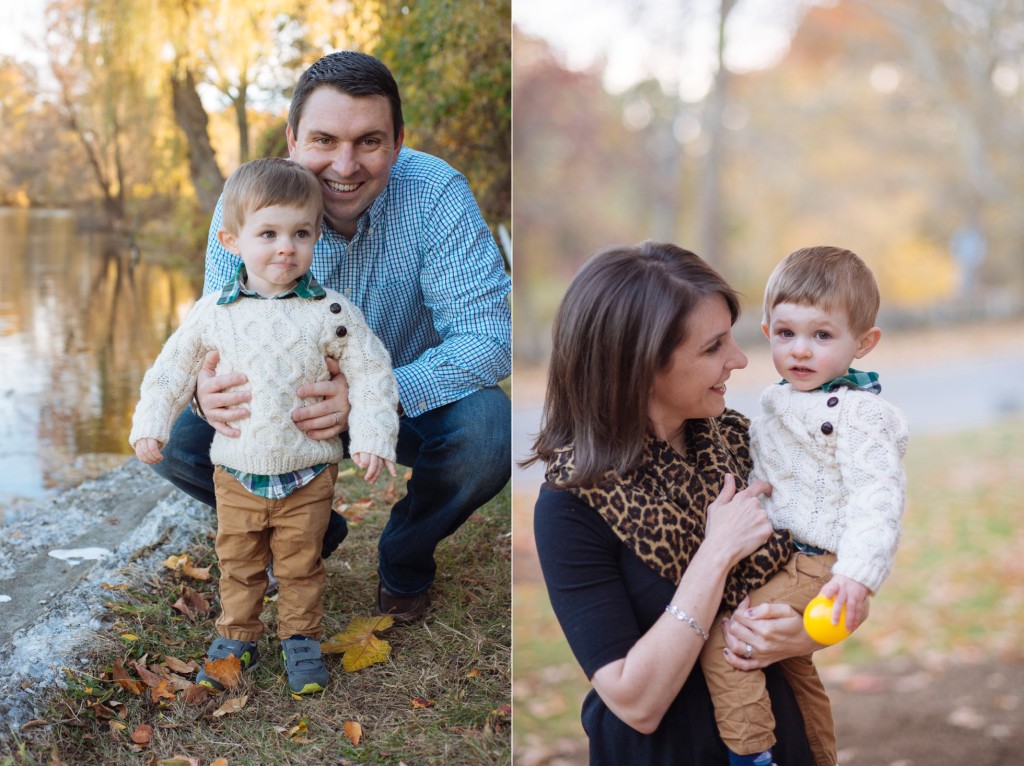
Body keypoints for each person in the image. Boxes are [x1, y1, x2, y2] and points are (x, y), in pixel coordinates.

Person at [150, 51, 512, 623]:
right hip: (276, 408)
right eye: (324, 140)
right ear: (292, 139)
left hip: (402, 404)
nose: (345, 165)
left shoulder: (437, 195)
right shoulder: (248, 199)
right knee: (173, 439)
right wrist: (202, 389)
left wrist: (377, 394)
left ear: (397, 140)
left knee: (492, 432)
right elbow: (211, 328)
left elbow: (489, 336)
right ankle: (311, 527)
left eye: (369, 141)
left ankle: (405, 556)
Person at [526, 241, 836, 765]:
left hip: (780, 741)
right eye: (713, 347)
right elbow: (634, 700)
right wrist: (716, 554)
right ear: (640, 364)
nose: (738, 359)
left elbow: (830, 571)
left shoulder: (750, 445)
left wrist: (810, 630)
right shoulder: (573, 504)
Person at [130, 157, 400, 695]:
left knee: (300, 565)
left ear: (316, 237)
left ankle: (300, 639)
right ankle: (237, 635)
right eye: (269, 233)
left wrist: (372, 436)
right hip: (236, 469)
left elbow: (371, 372)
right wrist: (151, 424)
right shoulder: (215, 312)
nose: (286, 247)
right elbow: (173, 370)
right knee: (239, 561)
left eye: (301, 233)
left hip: (306, 473)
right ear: (232, 239)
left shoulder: (330, 311)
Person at [699, 245, 909, 765]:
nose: (801, 351)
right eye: (787, 333)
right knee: (796, 671)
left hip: (820, 562)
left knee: (731, 638)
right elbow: (768, 474)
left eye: (822, 335)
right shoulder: (775, 401)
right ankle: (818, 757)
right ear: (769, 332)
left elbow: (878, 499)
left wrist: (858, 577)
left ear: (864, 343)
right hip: (781, 555)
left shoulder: (861, 415)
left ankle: (751, 755)